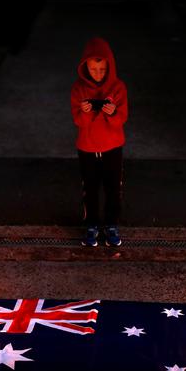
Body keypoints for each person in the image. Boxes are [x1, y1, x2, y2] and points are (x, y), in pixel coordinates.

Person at [70, 37, 128, 247]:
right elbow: (78, 120)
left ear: (109, 66)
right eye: (94, 69)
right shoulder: (78, 89)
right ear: (85, 67)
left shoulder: (118, 87)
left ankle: (112, 224)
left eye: (102, 69)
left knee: (114, 188)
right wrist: (87, 112)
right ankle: (91, 225)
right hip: (87, 147)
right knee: (90, 188)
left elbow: (122, 119)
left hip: (112, 147)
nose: (98, 74)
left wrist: (112, 113)